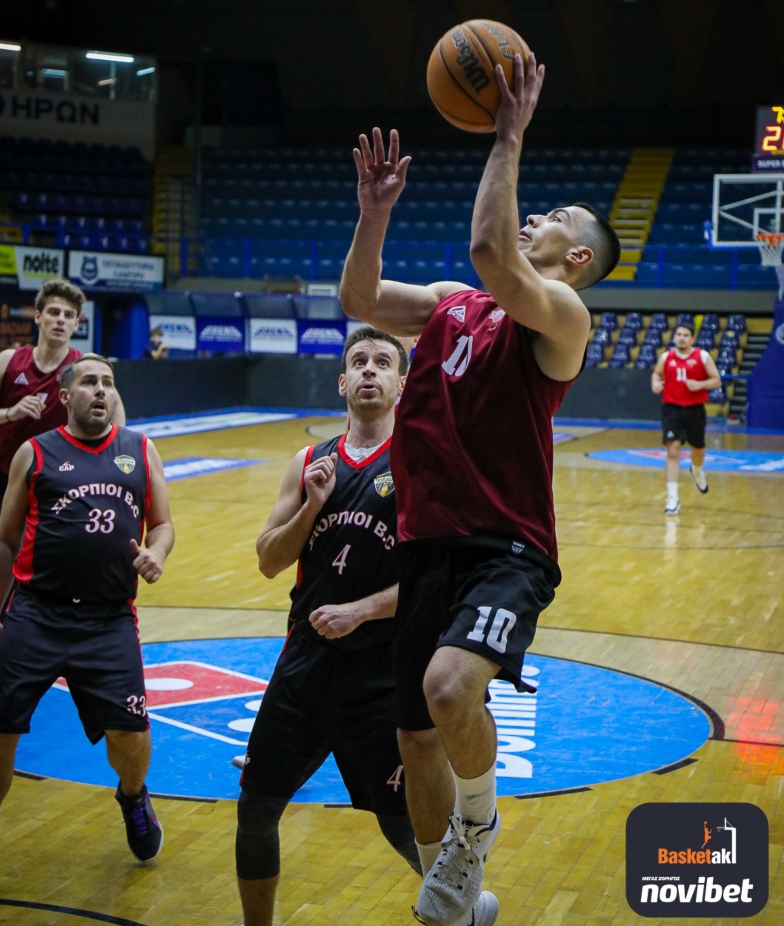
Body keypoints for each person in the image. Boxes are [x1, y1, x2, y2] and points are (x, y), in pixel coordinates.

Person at [339, 54, 621, 926]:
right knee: (414, 735)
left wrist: (509, 134)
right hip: (424, 540)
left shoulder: (565, 318)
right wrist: (373, 217)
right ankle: (457, 899)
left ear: (575, 257)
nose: (536, 213)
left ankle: (475, 829)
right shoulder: (457, 306)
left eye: (557, 218)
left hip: (508, 547)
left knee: (454, 689)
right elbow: (357, 296)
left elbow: (494, 250)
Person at [234, 327, 428, 926]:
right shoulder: (309, 461)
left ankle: (466, 908)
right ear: (343, 382)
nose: (370, 371)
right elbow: (268, 559)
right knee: (257, 809)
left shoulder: (420, 463)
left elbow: (436, 583)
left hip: (380, 671)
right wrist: (312, 505)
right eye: (358, 363)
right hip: (304, 667)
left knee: (403, 828)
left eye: (382, 363)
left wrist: (362, 610)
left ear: (402, 382)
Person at [0, 355, 175, 901]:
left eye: (108, 383)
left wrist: (157, 553)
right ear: (65, 395)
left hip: (108, 617)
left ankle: (134, 797)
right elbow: (2, 542)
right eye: (89, 382)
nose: (100, 391)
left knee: (131, 737)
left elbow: (161, 524)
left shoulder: (139, 449)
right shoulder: (35, 452)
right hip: (36, 612)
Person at [0, 279, 127, 533]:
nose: (60, 320)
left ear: (76, 323)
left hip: (67, 483)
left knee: (60, 566)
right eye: (53, 312)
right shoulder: (9, 361)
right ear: (38, 317)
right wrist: (9, 413)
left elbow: (118, 425)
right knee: (6, 561)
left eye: (68, 315)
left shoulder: (86, 367)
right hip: (11, 480)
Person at [651, 321, 720, 515]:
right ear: (674, 337)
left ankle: (697, 471)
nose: (681, 337)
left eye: (685, 335)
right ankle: (672, 497)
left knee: (698, 449)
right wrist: (656, 383)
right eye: (678, 334)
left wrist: (699, 385)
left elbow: (716, 380)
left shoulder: (702, 356)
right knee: (673, 450)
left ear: (692, 338)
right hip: (672, 409)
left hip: (695, 410)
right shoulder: (667, 357)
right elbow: (656, 374)